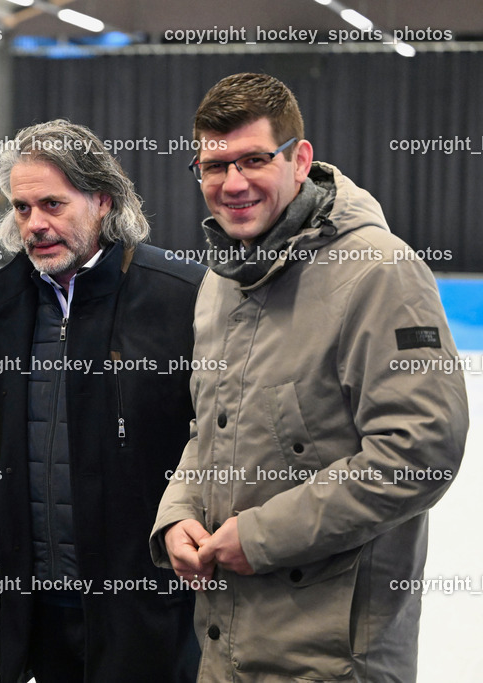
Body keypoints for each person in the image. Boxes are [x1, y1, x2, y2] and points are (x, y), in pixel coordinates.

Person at [151, 72, 469, 682]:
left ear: (299, 160)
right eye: (214, 166)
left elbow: (420, 451)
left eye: (254, 159)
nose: (233, 183)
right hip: (225, 648)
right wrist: (180, 509)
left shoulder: (379, 272)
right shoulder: (221, 281)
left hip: (332, 661)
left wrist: (263, 537)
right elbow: (210, 429)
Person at [0, 119, 204, 682]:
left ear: (103, 200)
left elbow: (218, 438)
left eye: (53, 204)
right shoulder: (8, 302)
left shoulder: (182, 295)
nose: (35, 224)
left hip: (146, 612)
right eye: (22, 208)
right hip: (42, 611)